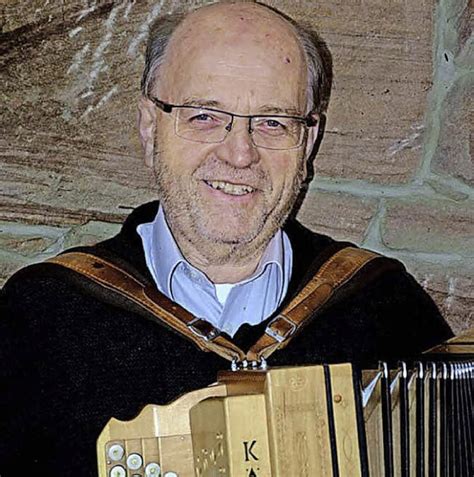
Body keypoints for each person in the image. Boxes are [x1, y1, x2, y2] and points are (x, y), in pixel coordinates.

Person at [0, 2, 452, 476]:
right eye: (204, 116)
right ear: (150, 127)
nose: (240, 155)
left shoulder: (388, 312)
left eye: (273, 122)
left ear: (309, 142)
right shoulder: (41, 317)